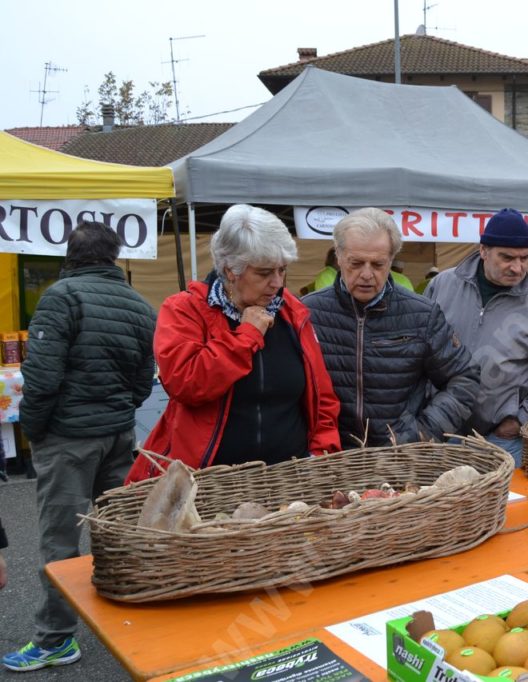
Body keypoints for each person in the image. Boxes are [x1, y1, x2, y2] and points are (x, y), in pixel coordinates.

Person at [3, 221, 156, 672]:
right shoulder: (139, 304)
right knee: (120, 534)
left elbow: (43, 378)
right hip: (118, 434)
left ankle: (56, 639)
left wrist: (36, 429)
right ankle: (139, 622)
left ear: (70, 254)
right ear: (114, 255)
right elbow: (142, 380)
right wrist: (118, 410)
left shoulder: (61, 297)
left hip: (69, 438)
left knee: (60, 541)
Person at [124, 204, 341, 484]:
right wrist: (246, 335)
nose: (277, 282)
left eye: (282, 270)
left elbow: (322, 398)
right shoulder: (185, 310)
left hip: (288, 482)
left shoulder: (293, 313)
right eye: (264, 273)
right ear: (230, 270)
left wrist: (320, 454)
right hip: (205, 484)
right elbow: (187, 384)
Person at [304, 208, 480, 447]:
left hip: (400, 459)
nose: (366, 274)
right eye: (356, 263)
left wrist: (422, 433)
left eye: (378, 264)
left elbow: (464, 378)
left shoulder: (422, 315)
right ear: (339, 256)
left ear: (391, 259)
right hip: (330, 456)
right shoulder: (308, 313)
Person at [426, 208, 528, 465]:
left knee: (504, 505)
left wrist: (520, 420)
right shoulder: (442, 286)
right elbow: (420, 353)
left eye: (524, 258)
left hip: (503, 440)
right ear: (484, 250)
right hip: (440, 432)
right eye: (507, 257)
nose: (517, 267)